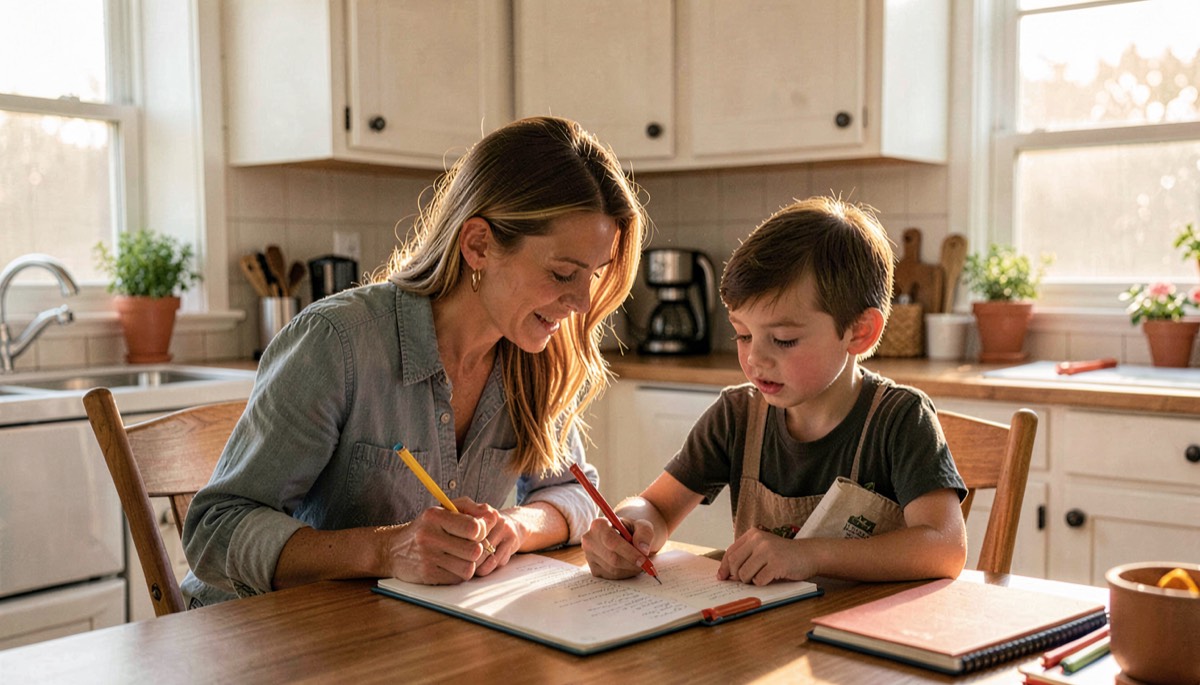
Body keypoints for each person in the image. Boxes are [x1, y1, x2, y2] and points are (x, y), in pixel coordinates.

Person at [181, 116, 647, 607]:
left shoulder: (535, 352)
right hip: (258, 630)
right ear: (479, 245)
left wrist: (515, 526)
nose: (582, 303)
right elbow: (215, 531)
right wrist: (387, 549)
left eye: (594, 275)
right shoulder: (337, 342)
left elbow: (574, 492)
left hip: (398, 630)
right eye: (563, 273)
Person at [581, 196, 967, 586]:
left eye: (783, 339)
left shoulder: (900, 420)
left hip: (865, 624)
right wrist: (630, 528)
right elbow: (657, 507)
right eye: (743, 334)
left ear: (859, 332)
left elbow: (945, 547)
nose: (755, 359)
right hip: (766, 623)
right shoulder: (736, 416)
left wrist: (808, 555)